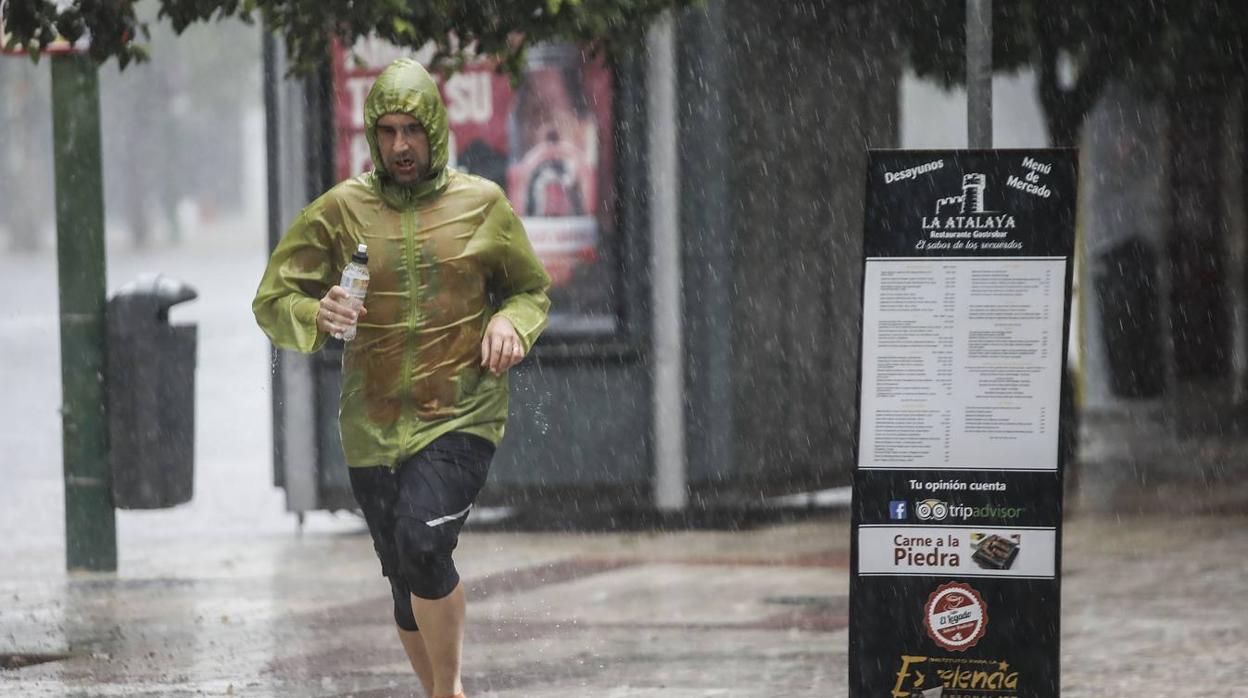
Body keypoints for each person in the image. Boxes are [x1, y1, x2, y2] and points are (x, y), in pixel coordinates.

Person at [253, 58, 551, 698]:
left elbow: (529, 290)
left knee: (422, 544)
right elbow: (273, 301)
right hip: (372, 422)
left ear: (435, 130)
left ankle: (448, 692)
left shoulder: (482, 205)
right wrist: (316, 310)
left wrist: (511, 326)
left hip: (460, 413)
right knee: (400, 572)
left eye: (411, 131)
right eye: (386, 132)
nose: (400, 147)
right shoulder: (340, 210)